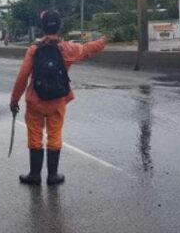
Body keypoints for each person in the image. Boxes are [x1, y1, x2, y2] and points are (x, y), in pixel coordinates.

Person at [10, 10, 107, 186]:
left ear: (42, 27)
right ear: (59, 26)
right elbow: (87, 49)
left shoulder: (33, 50)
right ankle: (52, 176)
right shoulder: (67, 49)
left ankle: (34, 175)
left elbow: (22, 77)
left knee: (35, 135)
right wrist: (104, 40)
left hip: (35, 101)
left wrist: (14, 100)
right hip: (57, 101)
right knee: (54, 134)